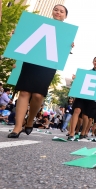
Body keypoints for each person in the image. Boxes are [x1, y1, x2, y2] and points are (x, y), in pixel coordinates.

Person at [8, 4, 74, 138]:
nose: (58, 12)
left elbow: (61, 50)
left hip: (48, 65)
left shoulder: (66, 32)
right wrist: (18, 34)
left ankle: (30, 120)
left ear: (65, 16)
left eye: (61, 11)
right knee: (24, 91)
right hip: (31, 61)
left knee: (38, 95)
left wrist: (69, 45)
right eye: (56, 9)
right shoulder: (38, 24)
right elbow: (25, 38)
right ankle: (17, 126)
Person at [68, 56, 96, 140]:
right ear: (93, 62)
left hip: (91, 98)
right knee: (77, 110)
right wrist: (75, 79)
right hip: (81, 95)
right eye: (95, 61)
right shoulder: (85, 73)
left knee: (85, 116)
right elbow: (79, 82)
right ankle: (72, 132)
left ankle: (83, 132)